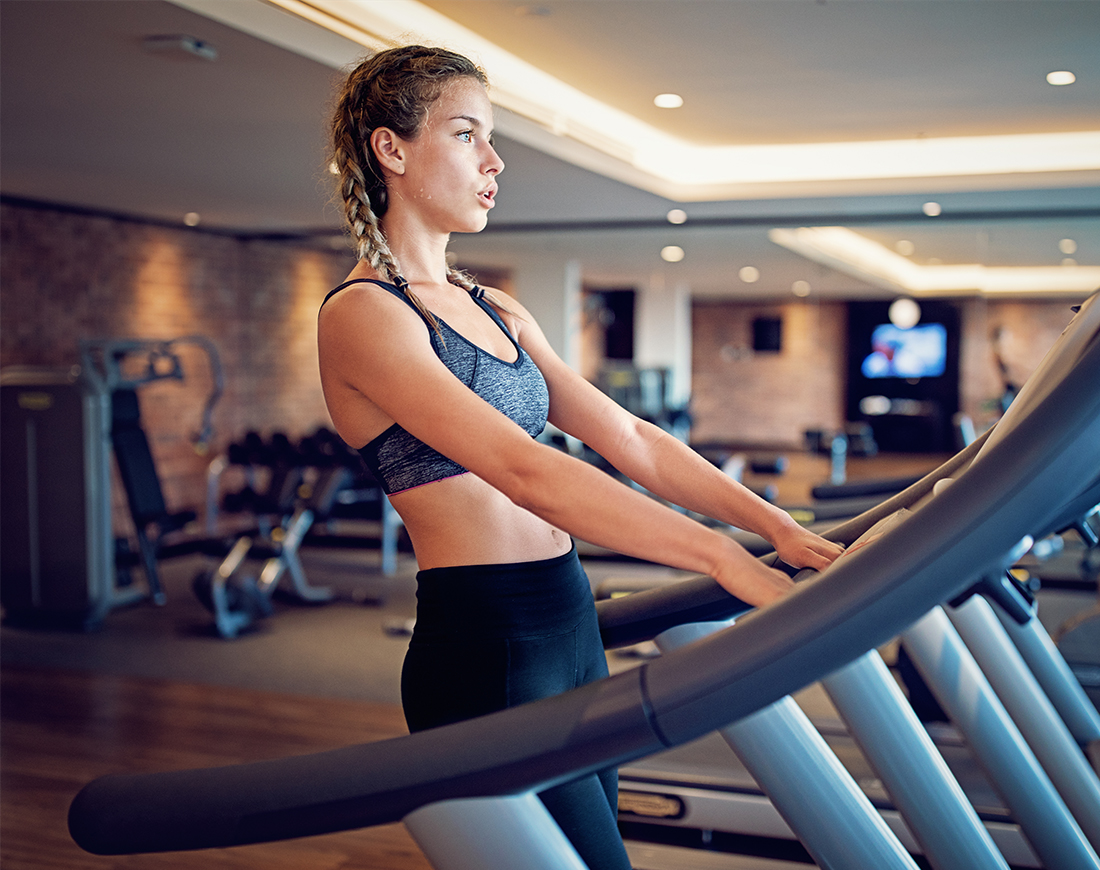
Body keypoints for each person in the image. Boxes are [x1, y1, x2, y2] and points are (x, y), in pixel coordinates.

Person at [318, 45, 844, 870]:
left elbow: (631, 438)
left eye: (492, 140)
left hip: (568, 619)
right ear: (393, 149)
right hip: (487, 639)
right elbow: (526, 470)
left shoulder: (500, 308)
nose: (494, 162)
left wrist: (776, 528)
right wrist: (718, 556)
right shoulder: (364, 315)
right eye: (467, 135)